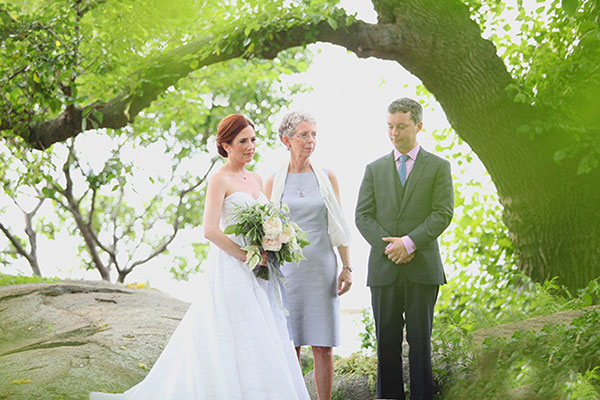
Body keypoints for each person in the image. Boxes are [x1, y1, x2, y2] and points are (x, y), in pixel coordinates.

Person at [90, 114, 309, 400]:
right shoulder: (219, 179)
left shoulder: (256, 178)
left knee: (262, 334)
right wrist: (246, 255)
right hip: (232, 268)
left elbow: (268, 221)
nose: (250, 146)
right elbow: (209, 230)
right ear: (226, 145)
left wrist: (275, 242)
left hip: (260, 270)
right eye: (243, 141)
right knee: (238, 332)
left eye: (253, 139)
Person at [355, 98, 453, 400]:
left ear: (418, 126)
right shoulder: (374, 169)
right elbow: (363, 216)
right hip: (384, 269)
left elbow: (442, 213)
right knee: (386, 343)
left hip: (422, 268)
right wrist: (391, 247)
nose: (394, 133)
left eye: (401, 127)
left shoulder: (438, 167)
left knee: (421, 343)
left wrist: (409, 243)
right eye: (389, 127)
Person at [264, 111, 352, 400]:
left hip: (321, 267)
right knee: (289, 344)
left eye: (314, 134)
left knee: (323, 345)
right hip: (286, 272)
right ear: (286, 140)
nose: (311, 140)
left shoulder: (327, 177)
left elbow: (338, 223)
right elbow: (266, 230)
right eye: (304, 135)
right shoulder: (273, 180)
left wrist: (347, 267)